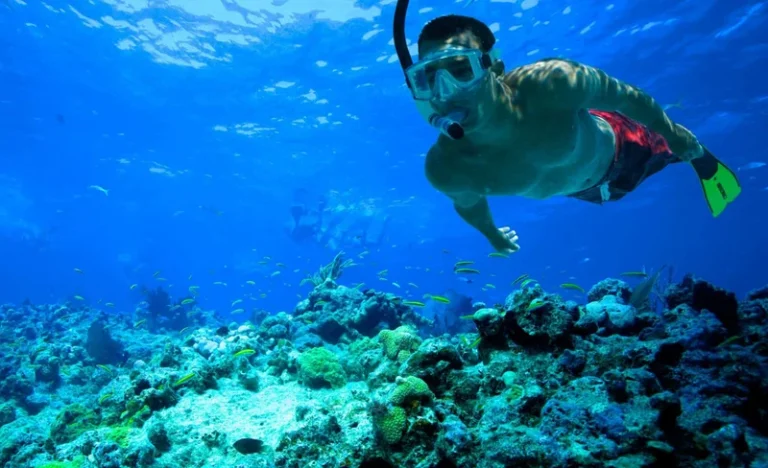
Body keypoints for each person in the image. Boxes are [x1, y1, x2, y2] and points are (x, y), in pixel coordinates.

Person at [391, 5, 741, 253]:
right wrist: (493, 236)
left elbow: (626, 97)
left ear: (494, 67)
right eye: (428, 78)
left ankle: (700, 159)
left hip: (626, 146)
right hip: (588, 192)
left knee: (677, 149)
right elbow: (469, 204)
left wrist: (673, 133)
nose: (445, 91)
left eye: (460, 70)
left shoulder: (553, 83)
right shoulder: (446, 168)